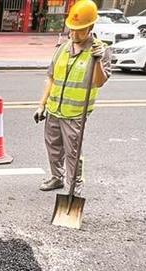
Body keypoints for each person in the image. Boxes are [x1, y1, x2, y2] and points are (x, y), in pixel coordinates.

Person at [32, 0, 111, 195]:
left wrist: (98, 60)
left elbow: (99, 81)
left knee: (73, 154)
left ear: (90, 27)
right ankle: (56, 178)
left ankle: (74, 189)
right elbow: (51, 78)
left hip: (75, 114)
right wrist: (41, 105)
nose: (74, 34)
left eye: (80, 30)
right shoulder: (63, 48)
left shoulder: (100, 51)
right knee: (53, 148)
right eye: (72, 30)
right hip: (54, 110)